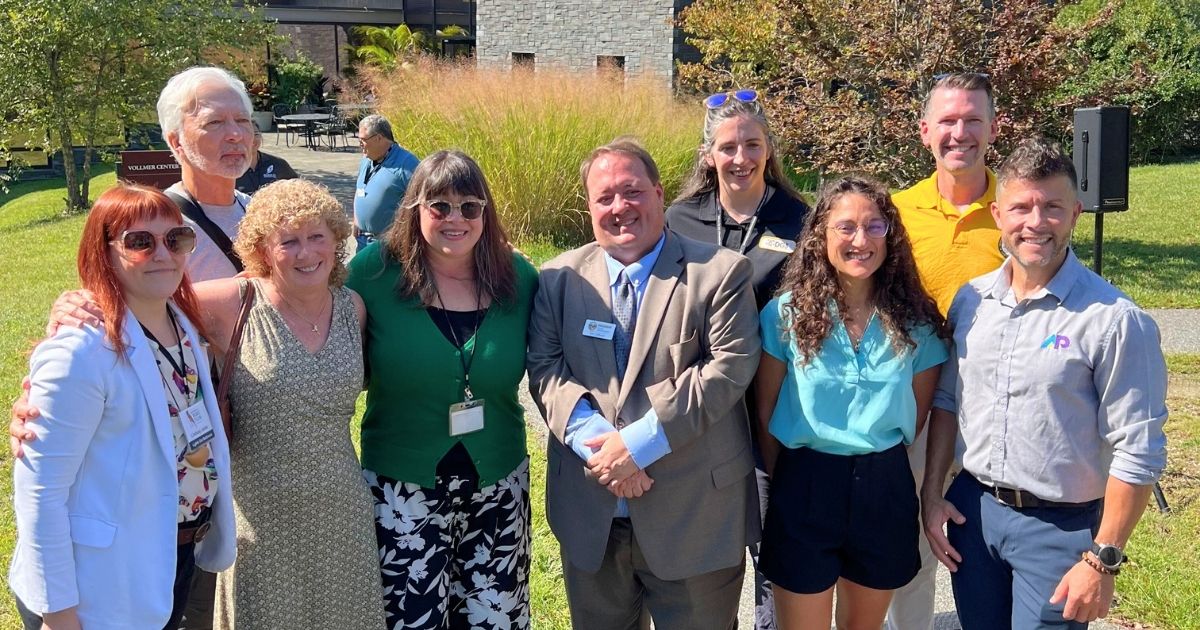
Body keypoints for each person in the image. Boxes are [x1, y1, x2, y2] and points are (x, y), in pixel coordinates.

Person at [921, 138, 1168, 629]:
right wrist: (932, 494)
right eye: (1021, 207)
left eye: (1052, 207)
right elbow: (948, 400)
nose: (1035, 222)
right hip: (974, 514)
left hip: (1060, 529)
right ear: (997, 215)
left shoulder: (1115, 320)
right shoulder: (972, 301)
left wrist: (1103, 559)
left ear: (1075, 213)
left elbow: (1138, 450)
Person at [527, 138, 761, 629]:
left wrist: (637, 445)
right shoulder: (557, 279)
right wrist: (605, 451)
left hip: (694, 518)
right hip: (592, 517)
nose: (620, 207)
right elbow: (546, 370)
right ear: (589, 208)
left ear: (658, 193)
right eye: (604, 197)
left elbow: (729, 367)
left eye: (632, 191)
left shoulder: (719, 273)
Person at [9, 184, 236, 630]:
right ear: (104, 251)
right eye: (140, 241)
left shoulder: (182, 326)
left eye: (176, 239)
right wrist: (58, 614)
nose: (163, 254)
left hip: (170, 559)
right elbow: (40, 492)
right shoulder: (80, 350)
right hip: (99, 585)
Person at [345, 150, 538, 629]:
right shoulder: (371, 274)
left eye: (469, 207)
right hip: (401, 486)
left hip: (498, 482)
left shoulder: (518, 279)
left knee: (493, 618)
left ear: (485, 213)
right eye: (440, 206)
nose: (456, 218)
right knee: (409, 618)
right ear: (416, 208)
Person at [190, 179, 385, 630]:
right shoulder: (232, 303)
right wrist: (79, 306)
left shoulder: (353, 308)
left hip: (342, 514)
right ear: (263, 249)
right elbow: (139, 303)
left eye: (317, 236)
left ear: (337, 241)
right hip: (260, 521)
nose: (306, 253)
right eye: (289, 241)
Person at [754, 175, 948, 630]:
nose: (861, 240)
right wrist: (794, 480)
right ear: (820, 236)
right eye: (845, 227)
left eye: (874, 226)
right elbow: (765, 412)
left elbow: (918, 415)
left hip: (884, 488)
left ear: (890, 236)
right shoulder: (784, 315)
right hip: (804, 485)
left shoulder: (917, 323)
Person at [665, 88, 810, 630]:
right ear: (708, 155)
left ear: (769, 149)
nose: (741, 157)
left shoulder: (801, 219)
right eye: (728, 147)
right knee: (709, 555)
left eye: (752, 144)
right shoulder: (678, 220)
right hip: (704, 410)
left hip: (775, 410)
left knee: (775, 546)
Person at [886, 71, 1005, 630]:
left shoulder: (1019, 208)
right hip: (916, 406)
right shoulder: (896, 213)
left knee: (991, 545)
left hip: (998, 409)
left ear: (994, 128)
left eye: (973, 119)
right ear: (924, 131)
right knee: (913, 548)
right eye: (948, 120)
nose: (960, 133)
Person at [353, 114, 420, 249]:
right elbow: (360, 190)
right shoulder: (366, 159)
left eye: (363, 140)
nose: (360, 144)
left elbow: (420, 203)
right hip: (362, 241)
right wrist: (356, 219)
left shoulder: (407, 164)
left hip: (388, 245)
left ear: (378, 138)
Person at [235, 129, 299, 195]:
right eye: (247, 134)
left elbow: (297, 186)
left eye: (256, 134)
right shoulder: (231, 166)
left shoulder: (277, 164)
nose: (253, 139)